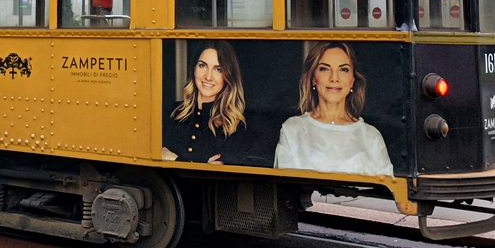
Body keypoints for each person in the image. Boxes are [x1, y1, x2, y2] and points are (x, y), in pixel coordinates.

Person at [274, 42, 393, 177]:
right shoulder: (293, 130)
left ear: (352, 80)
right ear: (313, 78)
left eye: (343, 70)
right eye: (325, 69)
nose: (334, 78)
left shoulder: (371, 137)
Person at [161, 41, 249, 165]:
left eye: (218, 69)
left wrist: (174, 159)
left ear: (228, 76)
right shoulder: (172, 112)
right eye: (202, 65)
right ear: (194, 69)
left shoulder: (235, 125)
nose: (208, 77)